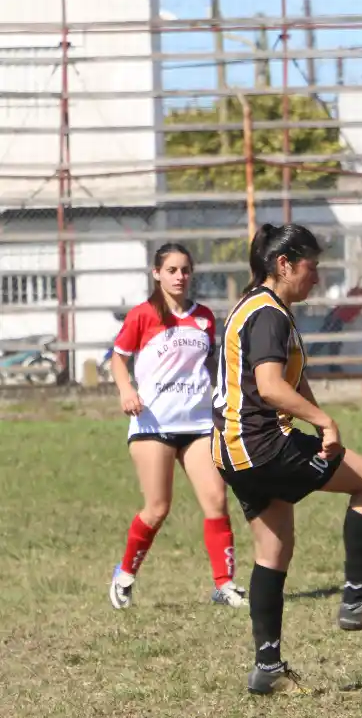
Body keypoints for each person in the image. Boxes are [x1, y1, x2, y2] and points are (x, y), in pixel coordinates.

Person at [212, 223, 362, 697]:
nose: (317, 277)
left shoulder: (257, 306)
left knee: (274, 551)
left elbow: (291, 382)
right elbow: (271, 386)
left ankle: (268, 669)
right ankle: (356, 601)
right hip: (262, 447)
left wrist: (317, 416)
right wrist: (324, 421)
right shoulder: (269, 315)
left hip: (232, 451)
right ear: (284, 264)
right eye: (311, 266)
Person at [108, 243, 246, 610]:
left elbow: (210, 364)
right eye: (171, 270)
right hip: (154, 423)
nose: (179, 277)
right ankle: (124, 575)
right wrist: (126, 390)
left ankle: (225, 584)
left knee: (216, 501)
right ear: (157, 274)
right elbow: (118, 359)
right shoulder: (143, 315)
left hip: (199, 423)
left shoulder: (204, 317)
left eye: (185, 270)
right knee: (157, 508)